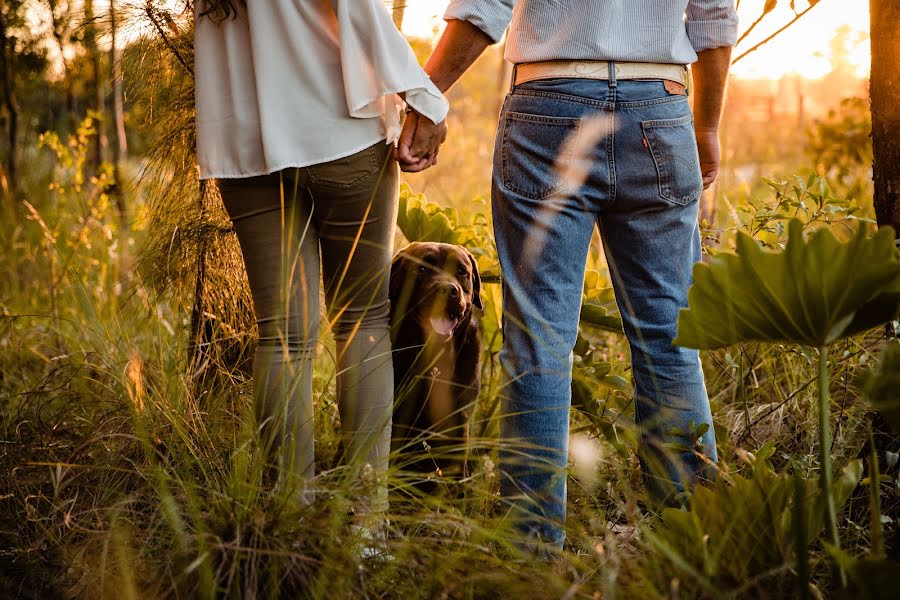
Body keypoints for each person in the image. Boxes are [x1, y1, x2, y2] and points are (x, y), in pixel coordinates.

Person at [397, 1, 737, 549]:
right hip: (660, 106)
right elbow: (713, 16)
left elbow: (484, 7)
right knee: (670, 337)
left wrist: (426, 92)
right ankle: (697, 543)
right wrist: (707, 126)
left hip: (547, 106)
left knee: (539, 342)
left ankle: (530, 553)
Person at [193, 0, 448, 518]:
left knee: (283, 337)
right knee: (362, 322)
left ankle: (290, 519)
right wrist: (423, 95)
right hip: (338, 127)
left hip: (244, 140)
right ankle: (365, 526)